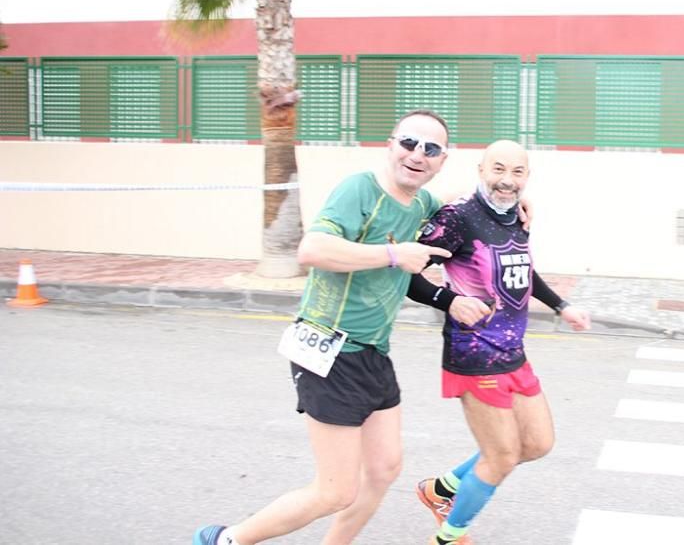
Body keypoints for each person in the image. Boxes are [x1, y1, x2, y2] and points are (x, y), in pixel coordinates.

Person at [194, 110, 455, 545]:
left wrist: (514, 199)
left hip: (373, 352)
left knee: (386, 467)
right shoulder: (359, 190)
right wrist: (394, 256)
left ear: (442, 160)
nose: (418, 154)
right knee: (335, 491)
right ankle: (224, 539)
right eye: (409, 143)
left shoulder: (424, 205)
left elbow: (468, 204)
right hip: (328, 348)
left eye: (431, 149)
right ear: (390, 145)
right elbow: (311, 248)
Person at [404, 139, 591, 545]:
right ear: (481, 170)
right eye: (498, 169)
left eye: (517, 172)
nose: (507, 181)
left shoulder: (516, 216)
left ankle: (442, 489)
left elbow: (523, 269)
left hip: (512, 353)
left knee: (537, 444)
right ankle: (450, 536)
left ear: (527, 177)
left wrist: (562, 306)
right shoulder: (458, 218)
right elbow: (409, 272)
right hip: (472, 355)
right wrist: (449, 301)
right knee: (502, 456)